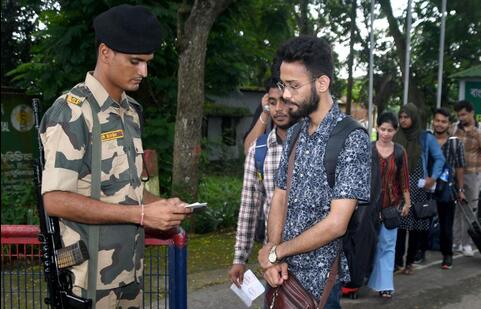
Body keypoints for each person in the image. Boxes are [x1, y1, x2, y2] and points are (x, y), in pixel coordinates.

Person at [39, 5, 192, 307]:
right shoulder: (71, 112)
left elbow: (126, 189)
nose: (144, 72)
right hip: (86, 283)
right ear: (105, 52)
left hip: (129, 276)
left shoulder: (130, 113)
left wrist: (160, 205)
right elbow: (53, 199)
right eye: (135, 61)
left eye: (147, 62)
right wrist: (142, 215)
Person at [258, 36, 371, 308]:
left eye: (294, 86)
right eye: (284, 85)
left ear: (322, 83)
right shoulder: (295, 132)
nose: (285, 95)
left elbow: (336, 223)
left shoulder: (352, 137)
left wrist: (276, 252)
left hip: (321, 286)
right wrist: (275, 254)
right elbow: (280, 198)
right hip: (281, 276)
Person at [228, 77, 298, 287]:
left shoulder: (315, 147)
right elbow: (249, 207)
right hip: (273, 259)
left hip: (314, 259)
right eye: (273, 102)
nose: (278, 109)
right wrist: (240, 258)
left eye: (284, 101)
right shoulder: (259, 151)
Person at [394, 103, 445, 275]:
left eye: (406, 117)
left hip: (418, 187)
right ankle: (397, 262)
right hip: (398, 186)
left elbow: (439, 158)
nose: (403, 120)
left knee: (415, 226)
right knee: (399, 225)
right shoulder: (396, 136)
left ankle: (409, 263)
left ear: (414, 118)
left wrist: (433, 177)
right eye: (401, 117)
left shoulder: (425, 137)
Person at [367, 112, 411, 299]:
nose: (385, 133)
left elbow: (404, 180)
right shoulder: (368, 149)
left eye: (390, 130)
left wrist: (407, 202)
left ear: (396, 131)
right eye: (382, 129)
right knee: (368, 245)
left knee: (388, 245)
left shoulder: (400, 151)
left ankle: (385, 285)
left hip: (391, 207)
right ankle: (363, 280)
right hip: (368, 207)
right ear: (377, 128)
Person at [451, 100, 481, 256]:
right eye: (459, 115)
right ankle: (456, 241)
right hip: (455, 174)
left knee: (470, 209)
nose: (461, 118)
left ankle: (467, 242)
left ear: (472, 113)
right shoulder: (455, 128)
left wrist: (478, 136)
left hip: (473, 174)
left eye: (464, 114)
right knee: (457, 209)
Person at [432, 108, 466, 269]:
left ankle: (447, 255)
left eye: (443, 121)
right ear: (433, 121)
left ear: (449, 124)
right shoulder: (426, 140)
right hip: (427, 188)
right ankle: (418, 254)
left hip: (447, 189)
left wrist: (460, 190)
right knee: (423, 222)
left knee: (446, 224)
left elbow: (460, 167)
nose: (439, 124)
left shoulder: (455, 143)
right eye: (437, 120)